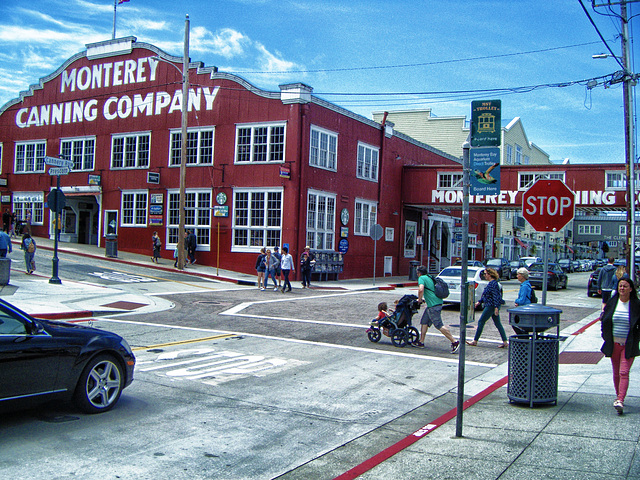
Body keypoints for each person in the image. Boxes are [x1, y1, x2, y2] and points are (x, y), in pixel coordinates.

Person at [600, 276, 640, 415]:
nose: (622, 288)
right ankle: (619, 397)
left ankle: (620, 400)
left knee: (624, 371)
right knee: (616, 372)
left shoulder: (636, 304)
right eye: (620, 286)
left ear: (630, 289)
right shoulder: (613, 302)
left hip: (629, 344)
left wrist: (637, 339)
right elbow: (605, 320)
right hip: (614, 343)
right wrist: (605, 337)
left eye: (625, 286)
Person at [414, 265, 460, 353]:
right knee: (424, 322)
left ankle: (454, 341)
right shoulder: (429, 277)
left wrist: (419, 300)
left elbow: (421, 289)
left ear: (419, 273)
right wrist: (425, 299)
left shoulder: (422, 278)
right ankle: (421, 341)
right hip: (435, 302)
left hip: (433, 305)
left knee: (438, 325)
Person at [467, 268, 508, 348]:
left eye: (485, 274)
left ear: (489, 275)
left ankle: (475, 341)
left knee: (481, 321)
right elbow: (487, 295)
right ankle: (505, 341)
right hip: (491, 305)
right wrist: (479, 301)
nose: (484, 275)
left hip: (490, 306)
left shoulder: (493, 284)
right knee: (498, 324)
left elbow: (495, 296)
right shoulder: (492, 283)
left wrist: (496, 307)